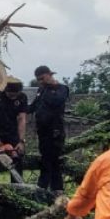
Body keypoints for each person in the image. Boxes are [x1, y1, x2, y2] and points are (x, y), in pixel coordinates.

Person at [31, 66, 69, 194]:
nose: (41, 82)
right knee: (45, 158)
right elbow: (34, 106)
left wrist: (52, 87)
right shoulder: (41, 90)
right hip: (43, 131)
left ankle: (52, 189)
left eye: (42, 78)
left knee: (53, 160)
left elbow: (56, 101)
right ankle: (46, 189)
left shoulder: (62, 89)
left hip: (55, 131)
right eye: (38, 80)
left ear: (49, 74)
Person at [0, 77, 29, 181]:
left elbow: (22, 118)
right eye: (10, 94)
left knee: (17, 161)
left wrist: (21, 140)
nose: (13, 96)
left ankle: (17, 187)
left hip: (14, 133)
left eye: (15, 94)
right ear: (6, 90)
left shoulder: (22, 97)